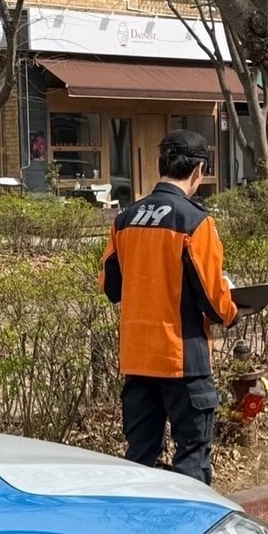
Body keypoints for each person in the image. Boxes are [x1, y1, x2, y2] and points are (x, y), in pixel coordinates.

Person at [99, 129, 239, 484]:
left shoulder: (125, 220)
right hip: (182, 361)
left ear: (160, 164)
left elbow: (110, 287)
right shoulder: (195, 221)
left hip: (137, 359)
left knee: (140, 460)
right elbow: (213, 298)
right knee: (191, 459)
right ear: (199, 170)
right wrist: (233, 310)